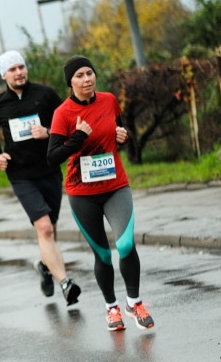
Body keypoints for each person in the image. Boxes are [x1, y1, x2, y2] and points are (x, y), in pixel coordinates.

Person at [47, 55, 154, 332]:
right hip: (82, 194)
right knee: (103, 255)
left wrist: (124, 136)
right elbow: (53, 156)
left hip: (116, 186)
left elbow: (117, 132)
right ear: (70, 83)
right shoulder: (63, 113)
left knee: (127, 244)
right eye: (79, 76)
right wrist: (78, 137)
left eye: (89, 73)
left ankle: (134, 303)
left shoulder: (109, 100)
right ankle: (111, 308)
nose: (86, 79)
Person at [0, 49, 82, 306]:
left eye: (21, 67)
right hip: (21, 174)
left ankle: (45, 265)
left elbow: (67, 121)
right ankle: (65, 283)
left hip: (49, 168)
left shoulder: (45, 95)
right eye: (13, 69)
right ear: (4, 74)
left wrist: (48, 132)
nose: (18, 73)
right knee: (44, 227)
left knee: (52, 228)